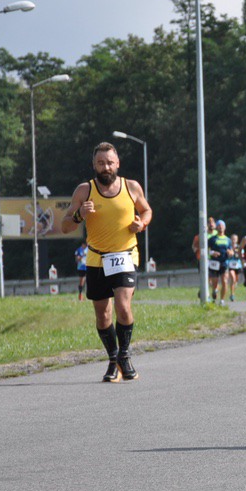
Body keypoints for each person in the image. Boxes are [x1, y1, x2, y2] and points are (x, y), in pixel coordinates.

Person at [61, 142, 152, 383]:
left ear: (118, 163)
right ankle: (113, 359)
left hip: (125, 255)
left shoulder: (131, 187)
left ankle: (124, 355)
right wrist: (80, 215)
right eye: (101, 163)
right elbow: (65, 225)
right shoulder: (84, 190)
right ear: (94, 165)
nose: (106, 167)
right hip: (97, 258)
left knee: (123, 305)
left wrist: (141, 223)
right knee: (103, 315)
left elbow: (147, 211)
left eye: (110, 162)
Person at [207, 220, 232, 305]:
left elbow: (231, 250)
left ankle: (222, 300)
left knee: (225, 281)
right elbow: (206, 250)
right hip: (214, 263)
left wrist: (230, 253)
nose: (221, 227)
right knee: (215, 282)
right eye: (219, 225)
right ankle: (214, 291)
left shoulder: (228, 240)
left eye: (222, 226)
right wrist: (212, 253)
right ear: (216, 227)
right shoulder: (212, 239)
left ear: (225, 227)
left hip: (224, 263)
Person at [227, 233, 243, 301]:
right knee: (233, 279)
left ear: (237, 240)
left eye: (235, 239)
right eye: (232, 239)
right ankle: (232, 294)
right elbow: (226, 254)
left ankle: (233, 290)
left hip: (237, 265)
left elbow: (242, 255)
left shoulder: (239, 247)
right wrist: (229, 253)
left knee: (236, 280)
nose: (233, 240)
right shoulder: (228, 247)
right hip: (230, 265)